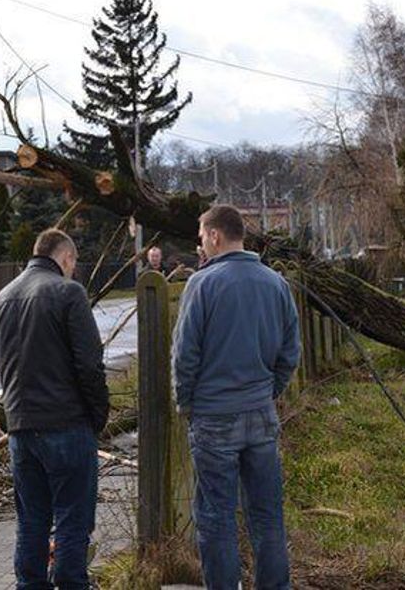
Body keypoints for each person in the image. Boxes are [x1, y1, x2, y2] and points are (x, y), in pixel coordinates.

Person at [172, 204, 300, 590]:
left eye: (201, 236)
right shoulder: (275, 283)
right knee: (266, 516)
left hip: (214, 416)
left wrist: (186, 403)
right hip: (260, 413)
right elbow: (290, 351)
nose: (200, 245)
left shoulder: (203, 284)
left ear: (214, 235)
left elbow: (185, 354)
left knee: (216, 518)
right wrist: (268, 391)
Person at [0, 228, 109, 590]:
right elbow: (89, 364)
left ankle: (29, 585)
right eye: (74, 264)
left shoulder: (1, 298)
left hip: (21, 429)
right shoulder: (68, 293)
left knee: (31, 521)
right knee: (73, 520)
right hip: (67, 424)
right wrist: (97, 415)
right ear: (66, 258)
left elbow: (2, 364)